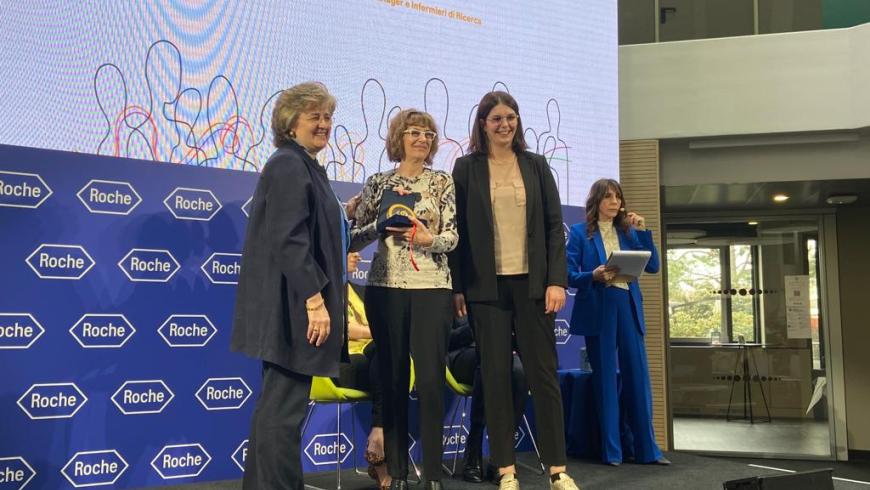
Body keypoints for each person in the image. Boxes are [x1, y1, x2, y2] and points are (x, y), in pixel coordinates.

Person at [449, 91, 579, 490]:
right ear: (483, 124)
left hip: (534, 287)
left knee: (543, 377)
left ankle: (558, 470)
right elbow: (460, 234)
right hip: (486, 289)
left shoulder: (536, 165)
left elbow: (554, 228)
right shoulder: (466, 168)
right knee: (497, 377)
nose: (505, 125)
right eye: (496, 119)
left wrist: (557, 280)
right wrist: (458, 287)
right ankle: (506, 470)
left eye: (511, 117)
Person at [230, 82, 347, 490]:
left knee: (276, 412)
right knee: (282, 415)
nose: (324, 124)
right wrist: (314, 301)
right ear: (289, 122)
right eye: (314, 116)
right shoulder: (288, 164)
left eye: (328, 117)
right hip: (294, 309)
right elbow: (289, 238)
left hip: (292, 306)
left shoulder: (304, 166)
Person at [350, 109, 458, 490]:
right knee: (393, 379)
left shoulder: (442, 181)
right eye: (414, 132)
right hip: (385, 287)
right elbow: (356, 236)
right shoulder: (378, 182)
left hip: (432, 287)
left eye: (428, 134)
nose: (422, 139)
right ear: (399, 137)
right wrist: (378, 226)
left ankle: (431, 474)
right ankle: (395, 472)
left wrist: (431, 240)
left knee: (429, 381)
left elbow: (453, 237)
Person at [565, 178, 670, 466]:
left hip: (627, 306)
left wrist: (642, 231)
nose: (614, 202)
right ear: (596, 201)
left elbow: (653, 266)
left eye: (617, 197)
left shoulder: (628, 231)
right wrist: (593, 275)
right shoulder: (578, 233)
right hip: (599, 307)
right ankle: (612, 452)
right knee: (605, 382)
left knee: (639, 379)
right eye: (608, 197)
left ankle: (648, 451)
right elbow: (568, 274)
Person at [447, 316, 529, 483]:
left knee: (519, 371)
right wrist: (477, 328)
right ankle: (474, 446)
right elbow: (442, 338)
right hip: (463, 354)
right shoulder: (452, 293)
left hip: (503, 354)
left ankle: (502, 453)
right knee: (487, 361)